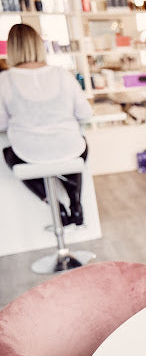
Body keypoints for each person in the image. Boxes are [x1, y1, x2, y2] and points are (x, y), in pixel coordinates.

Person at [0, 23, 92, 226]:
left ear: (11, 49)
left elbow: (1, 124)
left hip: (28, 155)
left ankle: (54, 205)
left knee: (9, 153)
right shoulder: (62, 74)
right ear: (39, 45)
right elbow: (85, 114)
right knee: (77, 145)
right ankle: (75, 204)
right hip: (71, 149)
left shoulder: (4, 80)